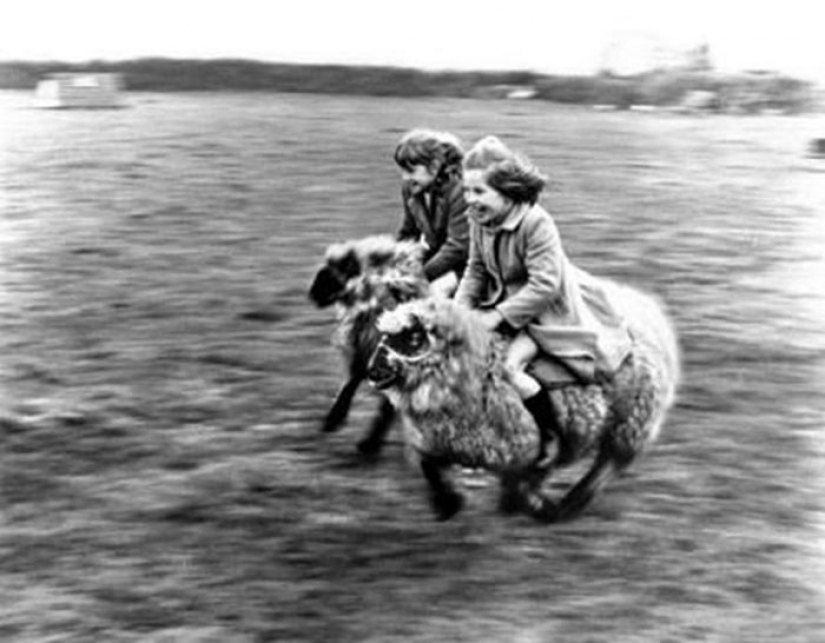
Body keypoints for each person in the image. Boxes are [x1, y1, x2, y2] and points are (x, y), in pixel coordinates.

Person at [455, 136, 633, 467]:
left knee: (507, 370)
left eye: (479, 191)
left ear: (508, 191)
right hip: (506, 302)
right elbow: (475, 269)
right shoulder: (479, 219)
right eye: (466, 190)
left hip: (543, 314)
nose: (470, 199)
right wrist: (459, 310)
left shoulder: (536, 223)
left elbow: (545, 285)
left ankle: (548, 436)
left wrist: (496, 317)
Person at [394, 129, 470, 297]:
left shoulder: (460, 189)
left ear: (434, 166)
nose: (405, 178)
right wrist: (395, 263)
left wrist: (420, 277)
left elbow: (458, 247)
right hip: (439, 257)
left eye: (411, 171)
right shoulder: (412, 187)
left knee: (435, 292)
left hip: (470, 265)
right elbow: (409, 232)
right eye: (403, 171)